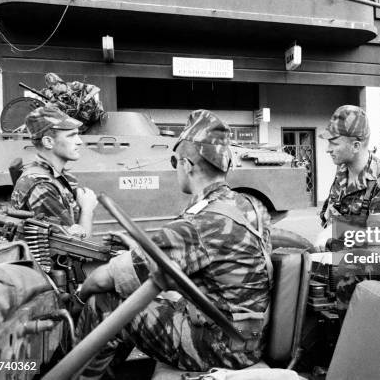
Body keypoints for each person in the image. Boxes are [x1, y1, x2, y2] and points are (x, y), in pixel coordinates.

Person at [75, 109, 272, 378]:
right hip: (247, 338)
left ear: (186, 165)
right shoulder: (251, 206)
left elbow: (101, 280)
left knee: (103, 302)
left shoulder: (197, 224)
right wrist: (139, 250)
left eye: (174, 161)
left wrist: (78, 296)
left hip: (217, 348)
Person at [317, 105, 380, 317]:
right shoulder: (343, 171)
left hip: (368, 283)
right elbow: (330, 213)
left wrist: (336, 233)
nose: (327, 148)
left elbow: (376, 241)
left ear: (355, 145)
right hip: (337, 269)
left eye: (333, 143)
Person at [10, 105, 98, 237]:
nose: (79, 142)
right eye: (71, 135)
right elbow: (76, 248)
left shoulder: (54, 177)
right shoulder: (40, 185)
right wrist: (87, 209)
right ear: (48, 142)